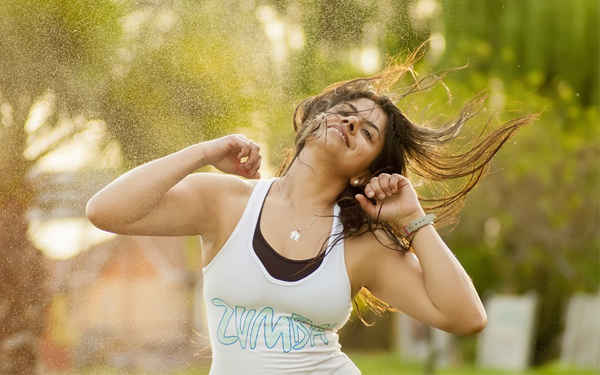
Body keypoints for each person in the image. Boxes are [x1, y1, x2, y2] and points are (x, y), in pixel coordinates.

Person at [86, 50, 537, 374]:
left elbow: (467, 318)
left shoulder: (362, 245)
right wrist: (204, 151)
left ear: (365, 172)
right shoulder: (226, 203)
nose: (349, 124)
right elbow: (106, 211)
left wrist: (413, 219)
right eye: (344, 113)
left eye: (365, 132)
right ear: (312, 120)